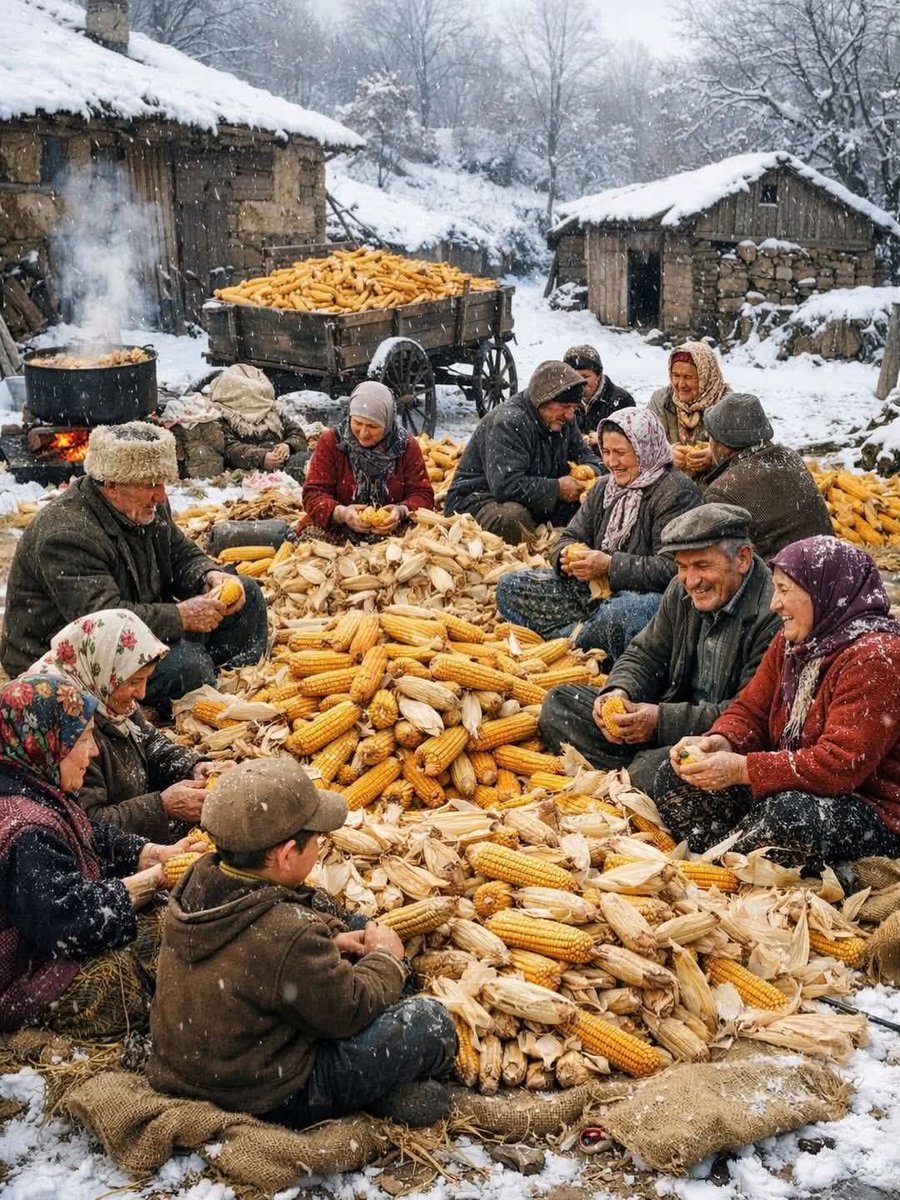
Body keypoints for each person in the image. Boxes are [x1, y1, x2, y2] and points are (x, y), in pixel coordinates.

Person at [148, 759, 458, 1129]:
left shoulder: (197, 880)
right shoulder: (289, 934)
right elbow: (349, 1011)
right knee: (430, 1024)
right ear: (285, 855)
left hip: (192, 1069)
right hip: (266, 1093)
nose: (320, 846)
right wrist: (386, 959)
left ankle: (384, 1090)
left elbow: (260, 942)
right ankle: (377, 1093)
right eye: (316, 840)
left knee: (345, 948)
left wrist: (328, 938)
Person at [657, 536, 900, 868]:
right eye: (774, 590)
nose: (774, 604)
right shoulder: (794, 642)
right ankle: (730, 861)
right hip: (792, 783)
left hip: (870, 809)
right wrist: (721, 741)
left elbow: (840, 766)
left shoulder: (877, 658)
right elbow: (751, 709)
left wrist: (743, 769)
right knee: (674, 777)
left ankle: (731, 859)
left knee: (789, 815)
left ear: (822, 591)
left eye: (785, 590)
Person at [0, 421, 268, 715]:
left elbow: (178, 553)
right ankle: (189, 691)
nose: (161, 495)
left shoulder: (145, 506)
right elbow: (103, 623)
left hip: (139, 622)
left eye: (162, 482)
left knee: (249, 595)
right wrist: (181, 617)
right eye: (150, 484)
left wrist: (208, 575)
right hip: (72, 655)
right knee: (189, 667)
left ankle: (234, 684)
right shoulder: (67, 535)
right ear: (111, 483)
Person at [0, 675, 199, 1035]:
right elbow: (68, 922)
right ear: (46, 744)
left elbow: (89, 836)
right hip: (20, 972)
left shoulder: (35, 784)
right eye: (84, 739)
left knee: (169, 926)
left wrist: (148, 853)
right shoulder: (24, 830)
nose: (93, 752)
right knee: (123, 983)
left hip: (45, 935)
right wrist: (151, 880)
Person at [537, 504, 779, 794]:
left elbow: (749, 716)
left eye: (702, 566)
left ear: (742, 558)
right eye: (681, 567)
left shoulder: (773, 614)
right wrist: (619, 691)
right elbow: (646, 653)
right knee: (560, 704)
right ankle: (638, 775)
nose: (691, 581)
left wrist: (660, 721)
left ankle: (639, 774)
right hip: (668, 714)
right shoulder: (681, 591)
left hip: (721, 740)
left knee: (658, 771)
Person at [494, 408, 701, 658]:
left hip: (645, 597)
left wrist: (610, 566)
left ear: (645, 450)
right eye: (606, 452)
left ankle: (575, 639)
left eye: (621, 453)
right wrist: (567, 557)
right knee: (510, 586)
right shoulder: (604, 487)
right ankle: (587, 638)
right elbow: (570, 536)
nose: (612, 462)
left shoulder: (675, 492)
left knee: (628, 613)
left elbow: (673, 569)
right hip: (592, 592)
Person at [30, 609, 227, 841]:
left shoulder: (105, 694)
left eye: (146, 680)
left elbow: (150, 742)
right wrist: (161, 808)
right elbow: (86, 825)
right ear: (102, 666)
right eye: (134, 682)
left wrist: (193, 767)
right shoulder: (65, 718)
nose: (142, 694)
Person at [445, 361, 603, 544]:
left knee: (594, 508)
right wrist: (557, 489)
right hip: (480, 498)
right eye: (565, 407)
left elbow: (586, 456)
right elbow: (506, 486)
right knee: (511, 518)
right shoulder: (509, 422)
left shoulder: (564, 420)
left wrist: (590, 474)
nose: (569, 415)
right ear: (543, 400)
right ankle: (525, 561)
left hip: (534, 496)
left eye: (573, 408)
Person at [701, 392, 833, 559]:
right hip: (827, 563)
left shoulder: (723, 490)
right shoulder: (790, 456)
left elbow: (718, 557)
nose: (709, 444)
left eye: (711, 439)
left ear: (723, 447)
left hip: (783, 579)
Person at [299, 381, 435, 541]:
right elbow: (313, 493)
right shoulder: (332, 442)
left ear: (388, 422)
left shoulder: (405, 446)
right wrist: (341, 513)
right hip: (337, 531)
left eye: (372, 426)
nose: (363, 433)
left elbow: (423, 495)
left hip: (393, 538)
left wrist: (401, 511)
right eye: (357, 423)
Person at [210, 363, 310, 481]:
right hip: (250, 474)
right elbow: (230, 450)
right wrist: (261, 458)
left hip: (283, 466)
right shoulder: (224, 416)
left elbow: (297, 433)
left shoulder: (270, 411)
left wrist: (288, 446)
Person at [647, 341, 731, 475]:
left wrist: (716, 455)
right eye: (676, 375)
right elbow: (643, 442)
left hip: (716, 487)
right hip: (670, 484)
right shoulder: (661, 400)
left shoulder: (729, 405)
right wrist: (665, 454)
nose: (680, 384)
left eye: (688, 377)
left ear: (705, 376)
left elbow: (747, 453)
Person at [563, 343, 634, 441]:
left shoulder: (622, 400)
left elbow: (629, 439)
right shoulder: (561, 401)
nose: (579, 382)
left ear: (599, 375)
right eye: (573, 377)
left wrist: (601, 438)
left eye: (585, 377)